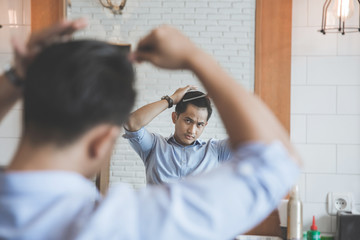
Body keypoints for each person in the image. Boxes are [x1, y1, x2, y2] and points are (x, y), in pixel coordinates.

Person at [0, 19, 301, 240]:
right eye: (188, 120)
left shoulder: (213, 151)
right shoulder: (127, 224)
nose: (193, 129)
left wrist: (16, 77)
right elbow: (276, 160)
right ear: (103, 143)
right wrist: (196, 59)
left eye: (200, 124)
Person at [124, 86, 232, 184]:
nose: (192, 131)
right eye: (188, 121)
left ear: (205, 125)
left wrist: (225, 99)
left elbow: (248, 135)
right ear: (175, 117)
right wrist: (171, 99)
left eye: (199, 124)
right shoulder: (154, 146)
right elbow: (132, 122)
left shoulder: (217, 150)